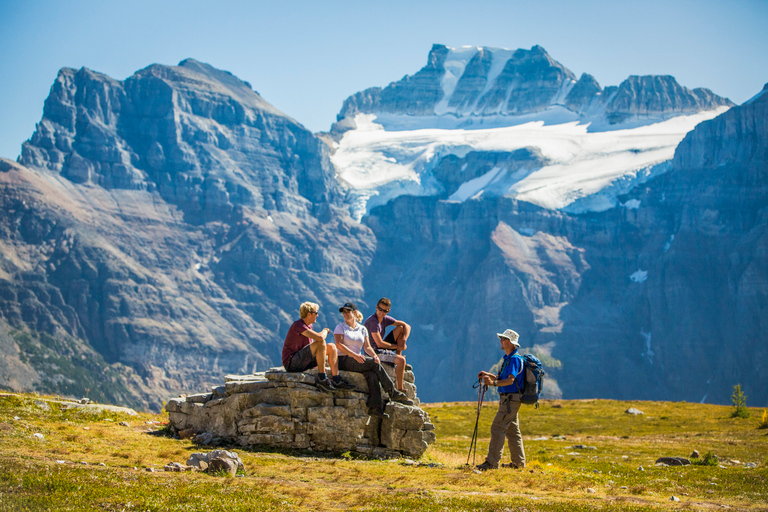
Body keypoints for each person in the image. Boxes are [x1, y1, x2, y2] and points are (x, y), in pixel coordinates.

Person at [333, 302, 414, 419]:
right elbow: (338, 345)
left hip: (357, 359)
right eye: (343, 311)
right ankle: (393, 392)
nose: (345, 314)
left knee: (372, 374)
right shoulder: (340, 327)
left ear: (355, 313)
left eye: (348, 311)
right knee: (374, 365)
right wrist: (354, 355)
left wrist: (374, 355)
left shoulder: (362, 329)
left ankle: (375, 408)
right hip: (344, 359)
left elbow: (367, 347)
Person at [475, 329, 526, 470]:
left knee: (497, 427)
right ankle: (518, 463)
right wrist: (488, 375)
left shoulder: (514, 359)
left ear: (509, 342)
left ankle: (492, 463)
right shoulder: (510, 358)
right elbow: (503, 378)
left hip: (510, 400)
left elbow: (510, 380)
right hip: (510, 400)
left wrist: (493, 383)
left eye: (503, 339)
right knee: (512, 431)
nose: (500, 341)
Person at [281, 301, 355, 392]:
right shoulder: (298, 325)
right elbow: (320, 338)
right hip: (292, 363)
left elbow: (311, 347)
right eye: (316, 313)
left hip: (303, 360)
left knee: (331, 346)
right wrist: (325, 330)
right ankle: (322, 378)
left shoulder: (309, 326)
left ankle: (336, 379)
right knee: (321, 342)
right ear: (309, 314)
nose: (317, 315)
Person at [364, 297, 410, 392]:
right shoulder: (373, 321)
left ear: (388, 311)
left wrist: (403, 340)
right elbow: (379, 344)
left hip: (380, 349)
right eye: (380, 309)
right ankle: (400, 389)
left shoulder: (385, 319)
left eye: (384, 311)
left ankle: (397, 356)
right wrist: (398, 346)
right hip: (373, 352)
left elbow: (406, 326)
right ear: (376, 307)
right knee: (401, 360)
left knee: (401, 328)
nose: (381, 312)